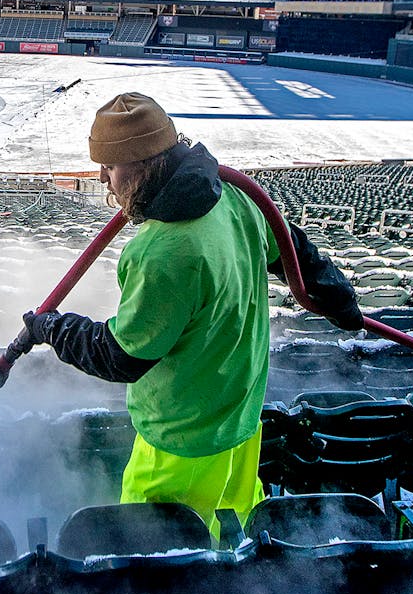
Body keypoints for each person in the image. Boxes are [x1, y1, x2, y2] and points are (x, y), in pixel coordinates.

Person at [21, 93, 361, 534]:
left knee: (157, 555)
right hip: (239, 422)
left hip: (179, 444)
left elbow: (122, 356)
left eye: (111, 166)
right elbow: (292, 249)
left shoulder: (163, 251)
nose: (103, 178)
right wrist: (338, 297)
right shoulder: (236, 196)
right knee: (231, 530)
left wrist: (55, 329)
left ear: (144, 165)